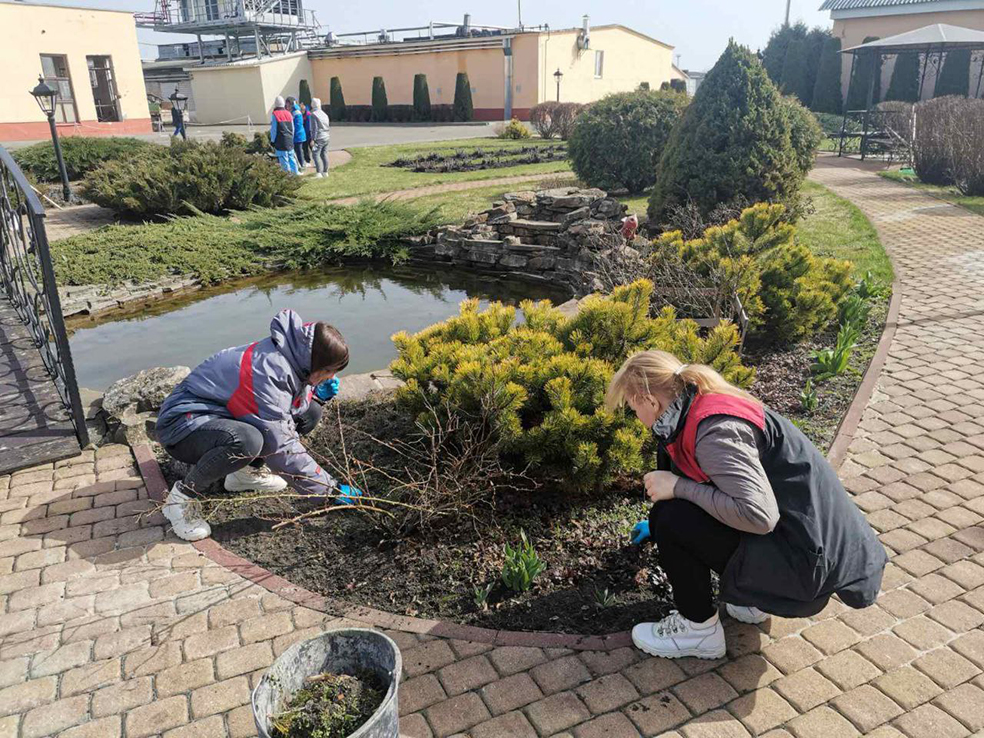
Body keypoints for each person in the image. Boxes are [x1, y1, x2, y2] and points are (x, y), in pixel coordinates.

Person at [605, 351, 887, 660]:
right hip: (805, 546)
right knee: (674, 513)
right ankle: (751, 599)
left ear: (649, 400)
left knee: (671, 517)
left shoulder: (715, 432)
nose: (634, 414)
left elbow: (759, 516)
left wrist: (678, 489)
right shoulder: (699, 403)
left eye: (632, 407)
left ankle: (698, 631)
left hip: (805, 568)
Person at [156, 310, 360, 541]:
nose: (331, 377)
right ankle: (181, 499)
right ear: (316, 363)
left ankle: (244, 476)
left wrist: (315, 396)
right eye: (328, 372)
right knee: (248, 441)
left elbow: (287, 411)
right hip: (183, 425)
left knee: (310, 412)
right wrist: (328, 490)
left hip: (219, 416)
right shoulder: (269, 371)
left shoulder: (294, 358)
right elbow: (280, 442)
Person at [270, 96, 299, 174]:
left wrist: (272, 140)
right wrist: (291, 137)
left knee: (284, 159)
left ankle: (287, 176)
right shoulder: (289, 113)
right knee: (291, 158)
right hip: (289, 139)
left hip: (280, 140)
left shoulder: (275, 114)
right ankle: (295, 175)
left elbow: (274, 129)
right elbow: (292, 128)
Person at [308, 97, 331, 178]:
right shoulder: (324, 114)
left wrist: (313, 139)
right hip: (326, 136)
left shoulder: (313, 115)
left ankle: (318, 173)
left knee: (316, 154)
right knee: (324, 154)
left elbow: (315, 129)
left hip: (319, 137)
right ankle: (325, 172)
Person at [286, 96, 308, 169]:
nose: (287, 107)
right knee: (299, 151)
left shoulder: (295, 112)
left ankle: (301, 165)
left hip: (298, 135)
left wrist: (292, 134)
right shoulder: (295, 111)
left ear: (291, 104)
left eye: (288, 105)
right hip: (299, 134)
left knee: (298, 151)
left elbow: (296, 126)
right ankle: (301, 164)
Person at [300, 102, 313, 166]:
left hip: (309, 134)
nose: (301, 111)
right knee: (305, 148)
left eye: (302, 110)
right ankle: (307, 161)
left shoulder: (308, 115)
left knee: (312, 148)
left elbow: (309, 126)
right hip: (304, 134)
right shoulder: (301, 115)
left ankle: (316, 160)